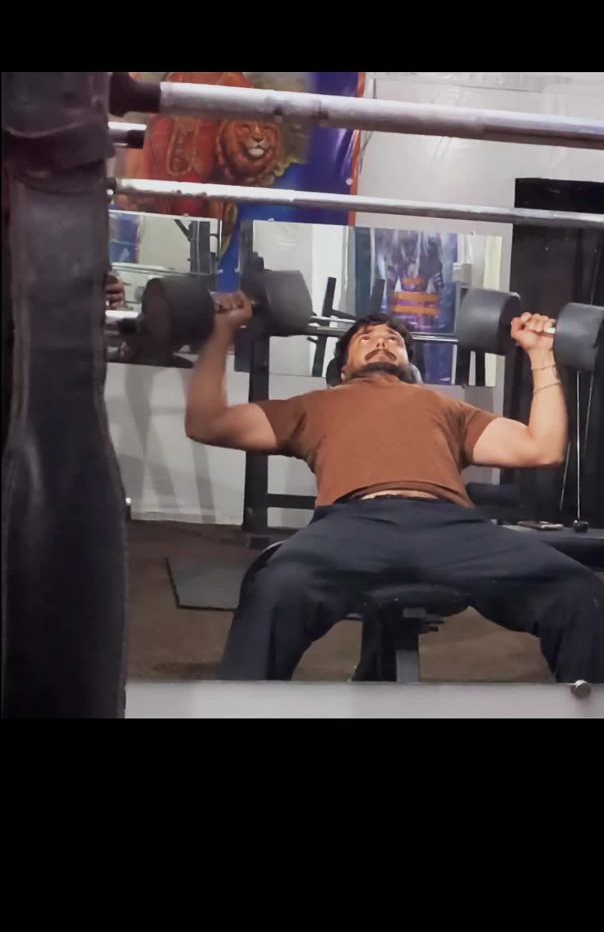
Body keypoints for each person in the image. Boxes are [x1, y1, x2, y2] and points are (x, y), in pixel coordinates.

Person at [185, 292, 604, 683]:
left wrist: (540, 353)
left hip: (451, 526)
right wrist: (222, 331)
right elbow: (207, 422)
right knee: (275, 589)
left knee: (576, 590)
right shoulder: (314, 405)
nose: (382, 343)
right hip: (352, 525)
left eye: (394, 340)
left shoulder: (444, 407)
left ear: (410, 364)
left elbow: (543, 448)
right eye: (366, 339)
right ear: (343, 368)